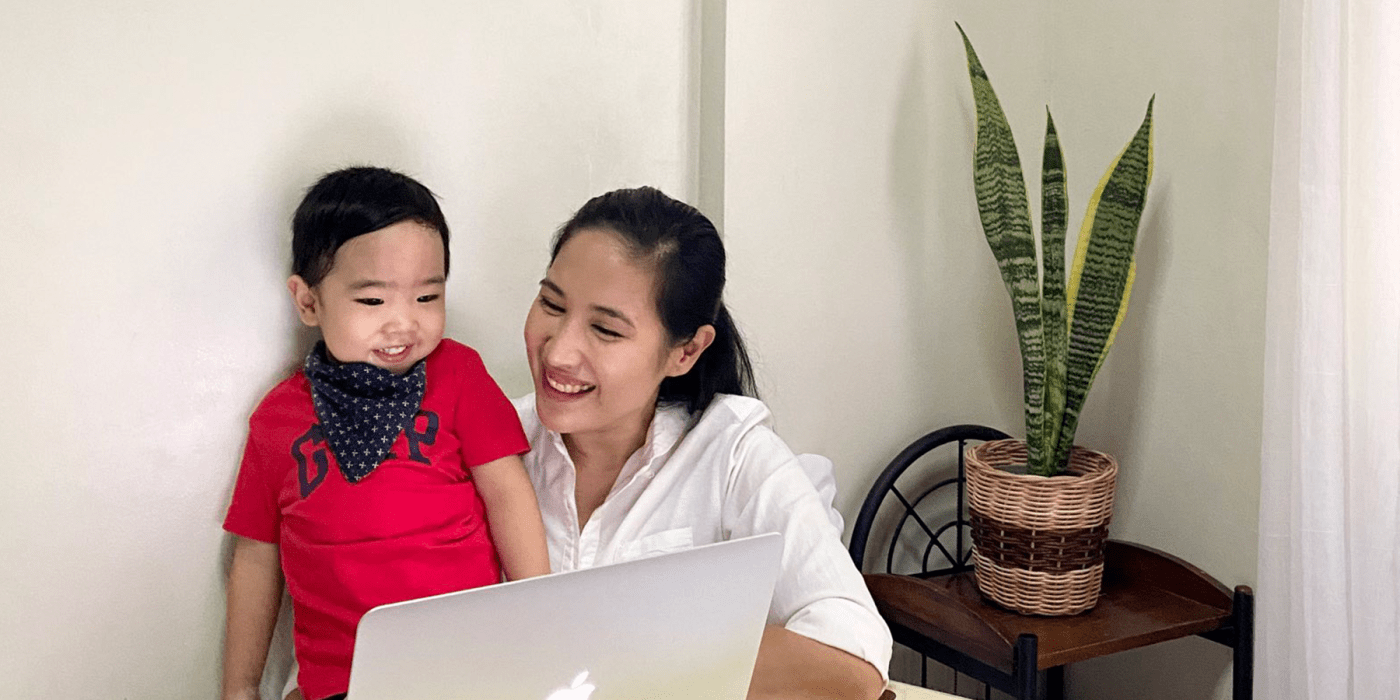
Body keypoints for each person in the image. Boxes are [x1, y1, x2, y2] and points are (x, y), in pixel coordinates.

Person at [518, 186, 892, 699]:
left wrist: (626, 660)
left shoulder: (732, 453)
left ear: (686, 351)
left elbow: (853, 655)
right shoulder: (486, 446)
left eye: (605, 330)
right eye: (551, 304)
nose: (558, 352)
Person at [221, 167, 550, 700]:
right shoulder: (277, 420)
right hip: (346, 681)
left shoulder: (458, 375)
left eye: (427, 298)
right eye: (373, 301)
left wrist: (539, 612)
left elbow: (508, 494)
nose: (403, 323)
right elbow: (256, 558)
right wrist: (240, 686)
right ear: (308, 302)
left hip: (471, 662)